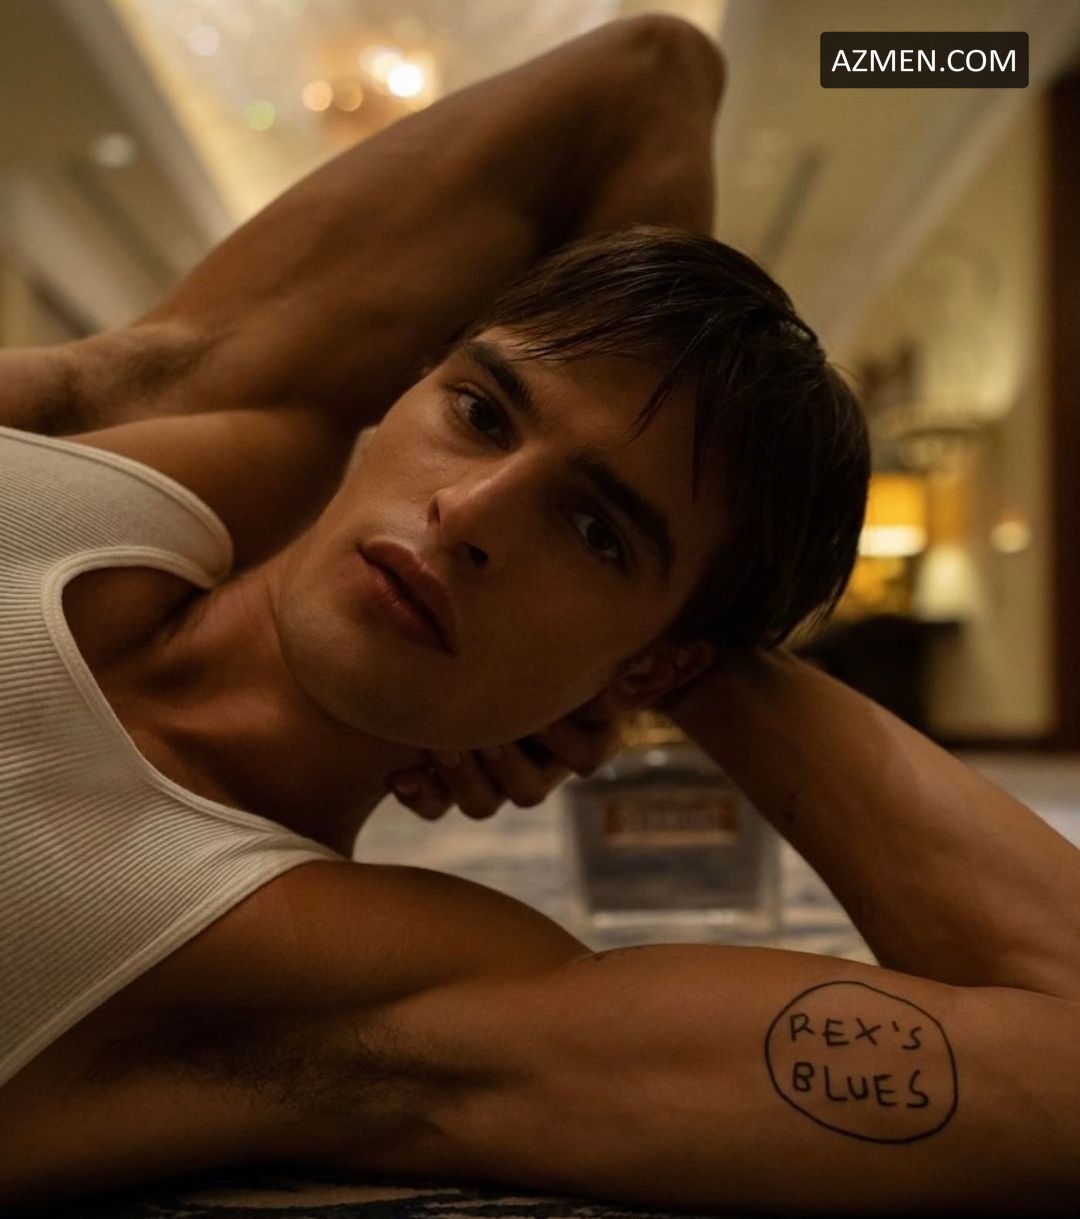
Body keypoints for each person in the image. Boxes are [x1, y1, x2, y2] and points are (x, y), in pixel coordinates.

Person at [0, 14, 1076, 1214]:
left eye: (597, 531)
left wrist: (697, 666)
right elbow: (650, 73)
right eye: (481, 412)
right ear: (407, 387)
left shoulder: (347, 974)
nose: (470, 513)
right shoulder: (153, 456)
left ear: (654, 663)